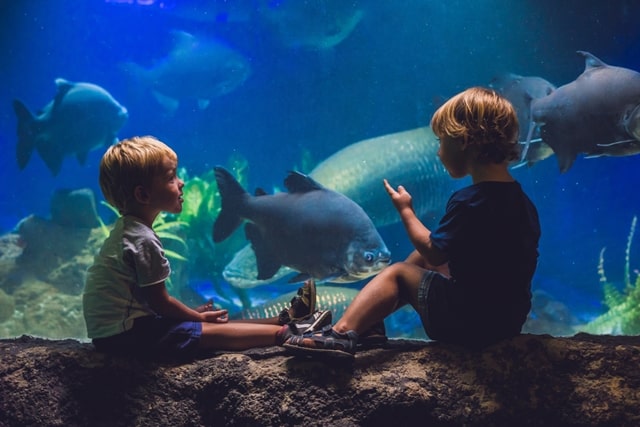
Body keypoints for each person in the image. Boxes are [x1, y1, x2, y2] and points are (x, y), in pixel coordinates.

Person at [284, 87, 541, 359]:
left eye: (442, 142)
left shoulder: (469, 202)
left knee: (399, 273)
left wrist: (406, 211)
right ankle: (368, 324)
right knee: (419, 260)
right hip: (506, 322)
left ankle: (340, 335)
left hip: (467, 323)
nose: (439, 153)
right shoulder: (522, 202)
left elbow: (434, 251)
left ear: (465, 142)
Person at [82, 136, 330, 361]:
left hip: (123, 331)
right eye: (170, 178)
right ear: (143, 195)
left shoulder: (130, 231)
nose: (181, 183)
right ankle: (287, 334)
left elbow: (151, 302)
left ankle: (282, 320)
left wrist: (191, 315)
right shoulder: (141, 239)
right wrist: (194, 317)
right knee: (206, 332)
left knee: (207, 324)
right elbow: (160, 303)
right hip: (127, 338)